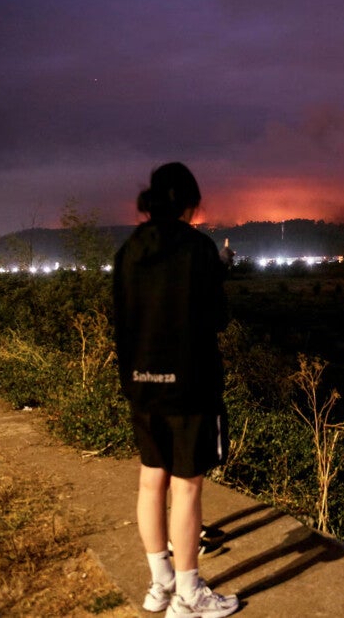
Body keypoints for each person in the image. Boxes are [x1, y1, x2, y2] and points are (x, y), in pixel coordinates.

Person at [113, 162, 239, 617]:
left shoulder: (129, 250)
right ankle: (189, 594)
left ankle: (161, 583)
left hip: (142, 387)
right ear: (191, 203)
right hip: (190, 387)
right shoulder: (198, 248)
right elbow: (216, 318)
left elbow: (122, 320)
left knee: (151, 481)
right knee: (187, 488)